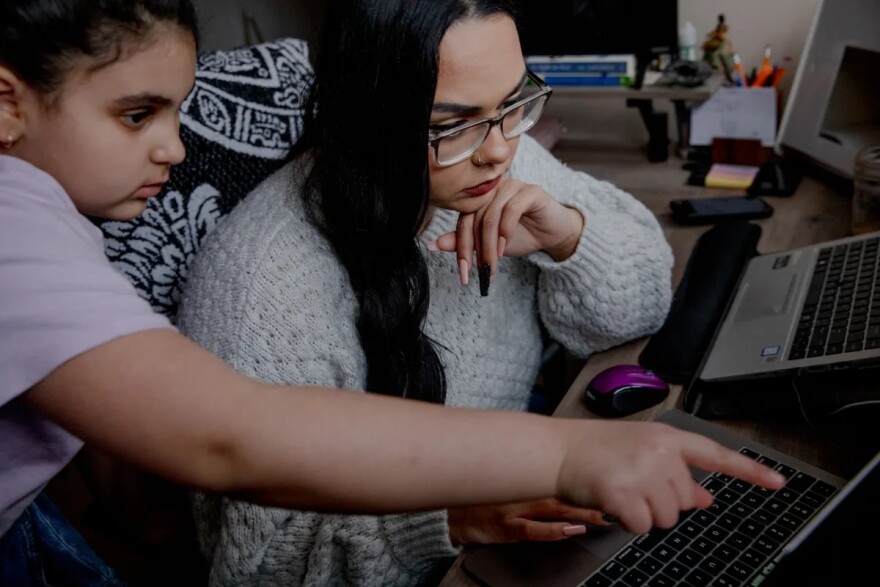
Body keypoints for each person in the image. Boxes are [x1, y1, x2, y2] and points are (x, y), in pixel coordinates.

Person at [0, 0, 785, 585]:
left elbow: (639, 301)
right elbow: (251, 537)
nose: (503, 146)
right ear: (368, 119)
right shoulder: (260, 284)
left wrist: (569, 233)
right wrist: (455, 514)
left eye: (515, 104)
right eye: (456, 122)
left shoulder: (498, 155)